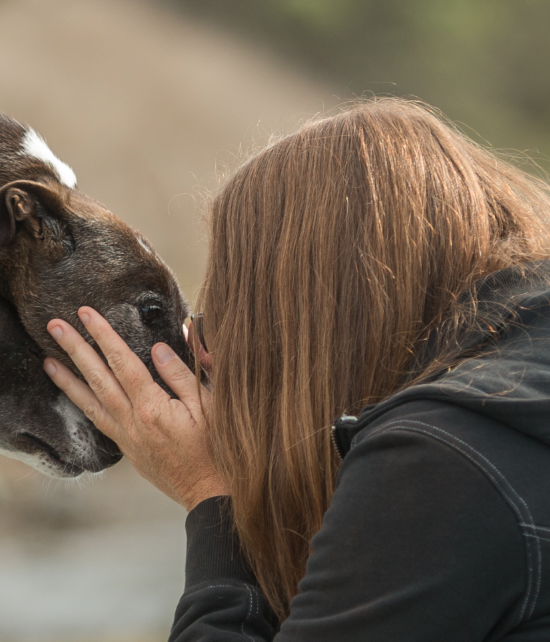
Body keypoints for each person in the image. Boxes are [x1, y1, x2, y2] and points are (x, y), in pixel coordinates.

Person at [43, 98, 550, 640]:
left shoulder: (438, 461)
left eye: (223, 321)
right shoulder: (514, 392)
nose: (205, 355)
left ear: (308, 318)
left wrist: (210, 498)